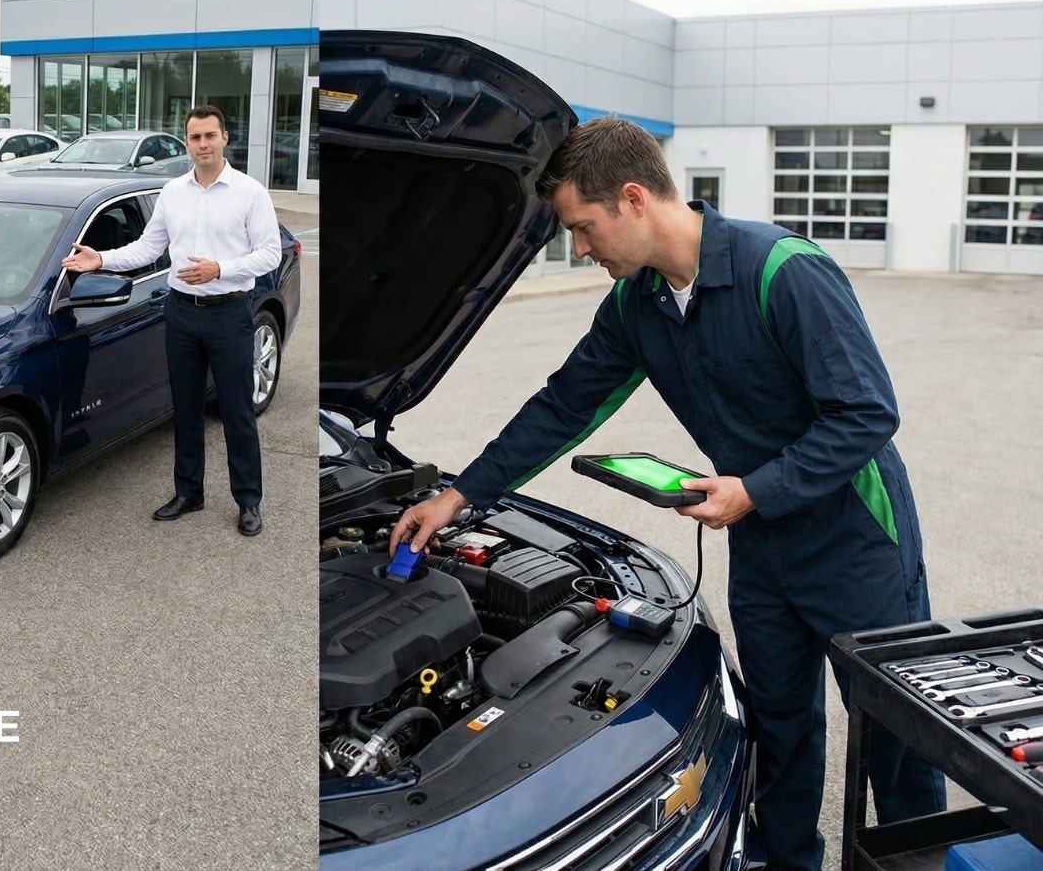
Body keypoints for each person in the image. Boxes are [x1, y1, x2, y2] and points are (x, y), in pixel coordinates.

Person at [388, 116, 944, 870]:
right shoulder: (636, 303)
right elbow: (564, 406)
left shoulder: (783, 271)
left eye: (583, 228)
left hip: (856, 539)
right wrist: (460, 496)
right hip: (762, 543)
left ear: (633, 198)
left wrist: (756, 489)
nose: (581, 249)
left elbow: (867, 414)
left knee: (897, 739)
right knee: (780, 726)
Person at [62, 105, 280, 536]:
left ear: (225, 138)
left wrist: (219, 269)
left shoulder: (249, 192)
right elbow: (148, 248)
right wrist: (101, 259)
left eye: (210, 136)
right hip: (180, 311)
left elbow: (269, 253)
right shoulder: (173, 192)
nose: (203, 144)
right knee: (185, 406)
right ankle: (189, 492)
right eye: (195, 137)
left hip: (229, 312)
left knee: (237, 410)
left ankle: (248, 500)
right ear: (187, 143)